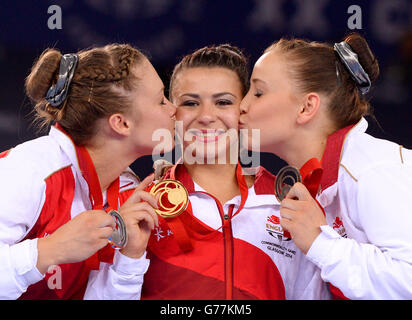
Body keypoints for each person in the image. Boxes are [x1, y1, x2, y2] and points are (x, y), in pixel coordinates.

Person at [86, 44, 330, 299]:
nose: (206, 116)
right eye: (190, 103)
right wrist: (129, 257)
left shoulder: (288, 205)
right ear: (173, 112)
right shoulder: (137, 207)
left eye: (223, 102)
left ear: (243, 109)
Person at [239, 33, 412, 299]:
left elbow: (407, 280)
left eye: (258, 92)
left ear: (306, 107)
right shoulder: (319, 182)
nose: (242, 105)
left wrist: (320, 243)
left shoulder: (372, 169)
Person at [0, 43, 175, 299]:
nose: (174, 110)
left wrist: (130, 258)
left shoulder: (127, 190)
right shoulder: (29, 169)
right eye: (161, 100)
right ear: (122, 123)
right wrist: (51, 249)